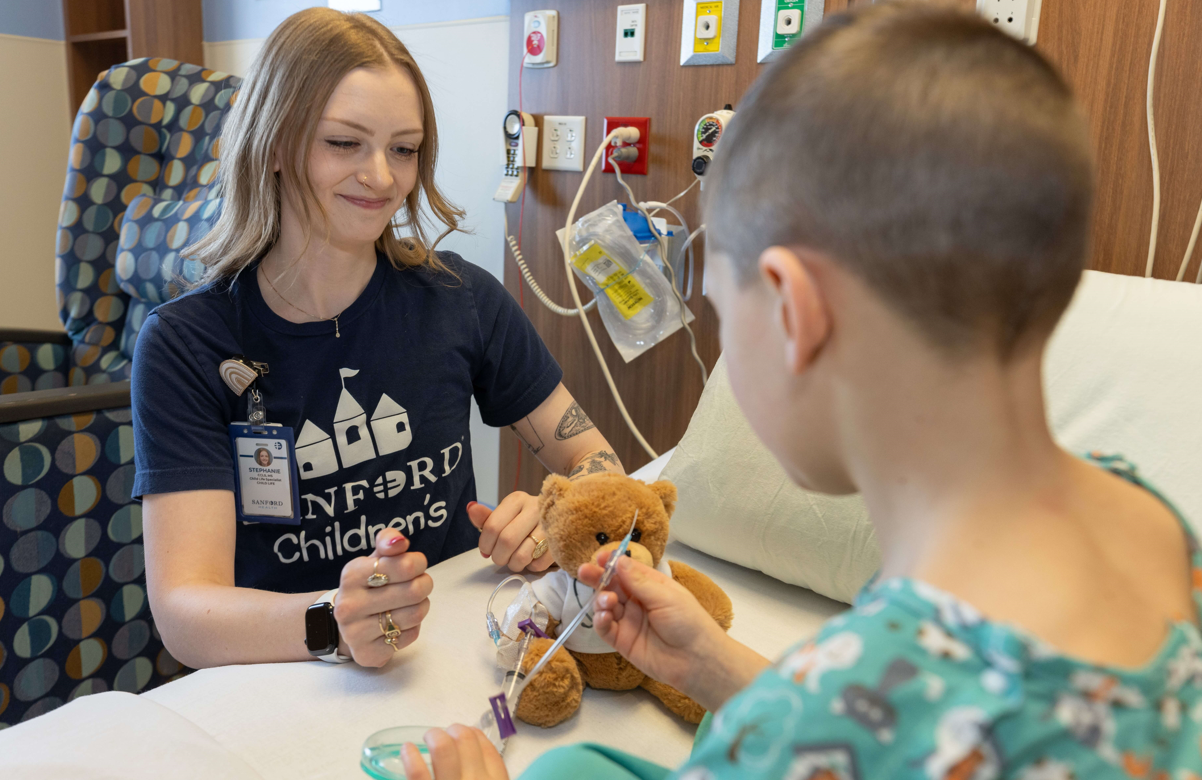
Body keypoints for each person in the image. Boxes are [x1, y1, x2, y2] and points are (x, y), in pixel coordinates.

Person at [401, 4, 1202, 779]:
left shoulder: (829, 719)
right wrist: (711, 663)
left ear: (797, 311)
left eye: (721, 308)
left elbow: (842, 732)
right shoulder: (1147, 513)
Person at [131, 8, 624, 670]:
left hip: (449, 656)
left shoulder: (462, 299)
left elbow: (601, 467)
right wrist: (333, 620)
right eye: (344, 143)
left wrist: (551, 515)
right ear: (274, 145)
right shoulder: (186, 344)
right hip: (285, 678)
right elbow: (187, 614)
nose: (382, 178)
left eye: (403, 148)